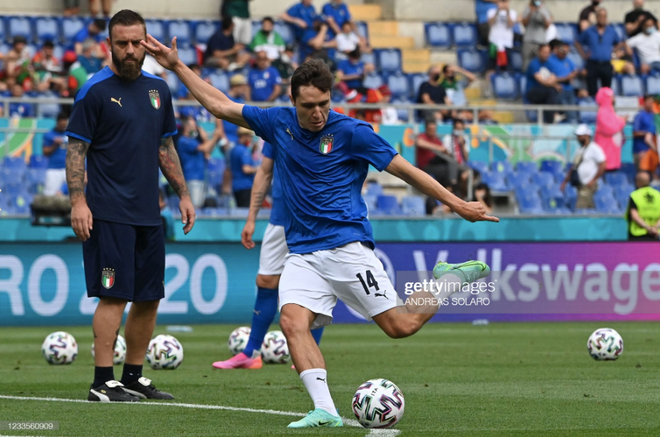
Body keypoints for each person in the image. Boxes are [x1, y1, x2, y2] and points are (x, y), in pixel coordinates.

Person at [142, 34, 498, 428]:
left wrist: (458, 204)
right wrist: (175, 65)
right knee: (292, 322)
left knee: (401, 326)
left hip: (347, 248)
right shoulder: (276, 122)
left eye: (324, 105)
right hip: (302, 253)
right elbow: (218, 104)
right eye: (308, 106)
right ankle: (325, 409)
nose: (318, 114)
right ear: (293, 101)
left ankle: (447, 280)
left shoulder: (352, 132)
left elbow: (407, 171)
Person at [65, 9, 195, 403]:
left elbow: (164, 146)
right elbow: (76, 149)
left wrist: (184, 194)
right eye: (121, 43)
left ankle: (134, 376)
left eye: (136, 42)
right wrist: (78, 201)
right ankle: (102, 381)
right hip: (107, 213)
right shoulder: (94, 91)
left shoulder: (160, 90)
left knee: (149, 296)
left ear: (146, 43)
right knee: (114, 296)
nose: (129, 50)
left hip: (147, 214)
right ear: (109, 45)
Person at [213, 141, 325, 370]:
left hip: (314, 219)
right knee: (265, 281)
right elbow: (264, 171)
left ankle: (310, 351)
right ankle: (251, 353)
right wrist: (252, 217)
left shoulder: (326, 130)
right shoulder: (280, 128)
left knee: (316, 284)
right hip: (280, 217)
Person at [575, 8, 628, 97]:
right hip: (592, 64)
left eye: (604, 16)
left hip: (606, 64)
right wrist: (583, 54)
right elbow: (577, 42)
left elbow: (619, 43)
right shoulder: (589, 31)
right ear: (596, 17)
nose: (602, 18)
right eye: (600, 16)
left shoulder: (611, 31)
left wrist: (613, 51)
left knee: (607, 91)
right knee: (592, 90)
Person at [176, 116, 221, 208]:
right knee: (195, 206)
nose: (196, 128)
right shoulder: (183, 140)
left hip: (200, 178)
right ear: (187, 127)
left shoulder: (193, 140)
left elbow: (208, 150)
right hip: (192, 178)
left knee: (200, 205)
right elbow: (204, 148)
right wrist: (215, 137)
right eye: (193, 125)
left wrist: (207, 139)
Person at [560, 124, 606, 209]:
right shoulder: (580, 150)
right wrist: (565, 181)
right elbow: (574, 167)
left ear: (587, 136)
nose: (578, 138)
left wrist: (593, 180)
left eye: (580, 136)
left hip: (588, 184)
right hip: (580, 185)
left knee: (580, 207)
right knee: (588, 208)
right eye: (578, 136)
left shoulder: (594, 148)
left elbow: (603, 164)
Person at [525, 44, 560, 124]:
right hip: (533, 92)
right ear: (539, 52)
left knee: (557, 92)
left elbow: (554, 78)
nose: (546, 54)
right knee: (552, 90)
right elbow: (542, 81)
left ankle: (552, 119)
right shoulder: (534, 64)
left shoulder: (549, 64)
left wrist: (552, 83)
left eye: (548, 52)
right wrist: (553, 84)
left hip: (545, 93)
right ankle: (553, 116)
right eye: (544, 52)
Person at [595, 87, 627, 172]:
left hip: (613, 152)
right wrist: (622, 121)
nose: (614, 98)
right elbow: (610, 129)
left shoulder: (610, 111)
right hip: (606, 152)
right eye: (612, 96)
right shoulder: (603, 112)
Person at [549, 39, 578, 123]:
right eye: (562, 51)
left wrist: (572, 76)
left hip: (570, 90)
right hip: (559, 90)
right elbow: (550, 78)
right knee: (568, 112)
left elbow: (575, 70)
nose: (564, 53)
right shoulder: (550, 60)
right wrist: (565, 78)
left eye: (566, 51)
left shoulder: (567, 60)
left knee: (573, 113)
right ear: (556, 49)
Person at [626, 171, 660, 240]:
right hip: (654, 234)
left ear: (637, 182)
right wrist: (655, 228)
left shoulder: (635, 195)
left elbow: (634, 216)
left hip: (638, 234)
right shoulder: (658, 195)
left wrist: (648, 228)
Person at [43, 112, 70, 196]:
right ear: (57, 122)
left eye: (65, 124)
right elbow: (45, 152)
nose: (63, 126)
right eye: (61, 124)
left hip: (69, 169)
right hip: (54, 169)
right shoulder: (49, 135)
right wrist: (55, 144)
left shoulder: (69, 135)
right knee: (51, 195)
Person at [486, 0, 517, 74]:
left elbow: (510, 24)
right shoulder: (491, 11)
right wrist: (498, 11)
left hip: (506, 42)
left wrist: (507, 12)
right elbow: (490, 23)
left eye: (505, 1)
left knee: (505, 66)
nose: (503, 4)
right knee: (491, 64)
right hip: (494, 41)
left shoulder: (512, 12)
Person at [230, 127, 258, 207]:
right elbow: (246, 169)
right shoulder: (243, 151)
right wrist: (260, 169)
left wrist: (252, 152)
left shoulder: (234, 149)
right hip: (245, 186)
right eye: (250, 137)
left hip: (236, 186)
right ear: (245, 136)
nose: (251, 139)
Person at [521, 0, 553, 72]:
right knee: (526, 63)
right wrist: (531, 12)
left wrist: (541, 12)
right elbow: (524, 24)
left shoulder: (545, 9)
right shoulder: (528, 8)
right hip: (528, 41)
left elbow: (547, 26)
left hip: (540, 41)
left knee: (539, 64)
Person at [633, 95, 657, 168]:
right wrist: (648, 133)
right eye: (649, 102)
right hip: (641, 150)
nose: (651, 104)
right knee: (643, 172)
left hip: (652, 150)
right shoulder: (640, 116)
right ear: (644, 102)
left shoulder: (655, 115)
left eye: (652, 102)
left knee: (653, 172)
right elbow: (635, 132)